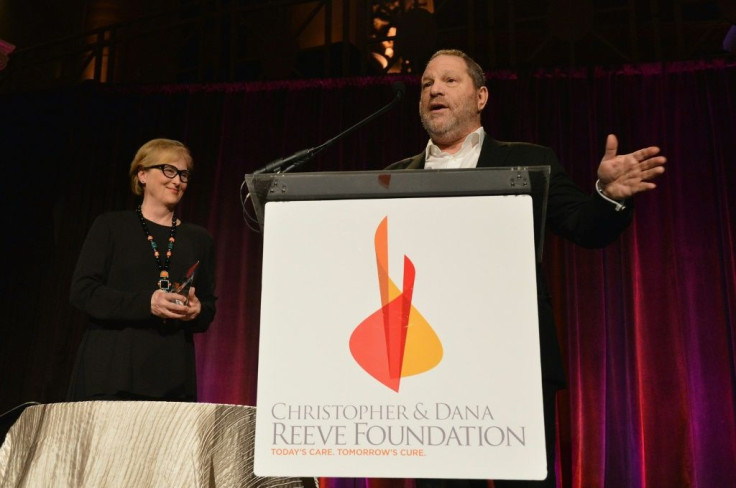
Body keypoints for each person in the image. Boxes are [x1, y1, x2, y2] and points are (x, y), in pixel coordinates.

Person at [385, 49, 666, 487]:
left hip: (514, 362)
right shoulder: (394, 177)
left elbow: (584, 227)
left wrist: (609, 195)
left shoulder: (527, 163)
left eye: (448, 81)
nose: (434, 89)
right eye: (426, 84)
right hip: (429, 369)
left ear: (480, 97)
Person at [67, 138, 216, 402]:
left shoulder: (199, 239)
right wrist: (148, 302)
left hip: (171, 377)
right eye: (168, 170)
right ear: (143, 174)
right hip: (112, 371)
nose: (177, 180)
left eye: (183, 174)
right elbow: (83, 292)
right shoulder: (111, 226)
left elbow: (207, 306)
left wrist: (198, 310)